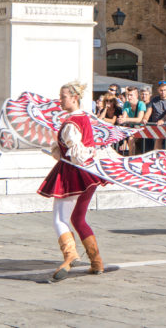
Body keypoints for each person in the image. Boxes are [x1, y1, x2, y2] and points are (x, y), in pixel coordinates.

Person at [37, 82, 106, 281]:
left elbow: (77, 152)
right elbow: (83, 147)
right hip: (89, 175)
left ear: (74, 98)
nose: (60, 99)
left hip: (72, 175)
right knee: (78, 218)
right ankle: (96, 262)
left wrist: (64, 153)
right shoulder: (85, 117)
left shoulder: (70, 124)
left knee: (59, 219)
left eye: (63, 96)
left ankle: (71, 254)